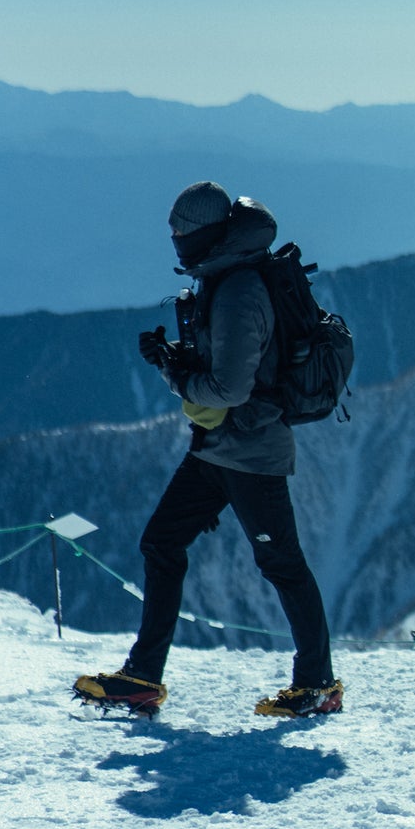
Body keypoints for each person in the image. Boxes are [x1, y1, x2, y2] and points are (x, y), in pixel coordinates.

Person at [74, 181, 342, 720]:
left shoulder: (240, 288)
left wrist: (173, 372)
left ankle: (318, 685)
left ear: (206, 235)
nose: (175, 241)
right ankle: (142, 677)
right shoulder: (222, 278)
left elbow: (231, 388)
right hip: (217, 450)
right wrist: (174, 355)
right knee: (161, 543)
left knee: (281, 563)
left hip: (249, 452)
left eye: (181, 233)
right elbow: (228, 367)